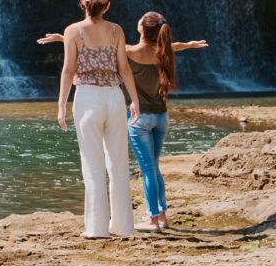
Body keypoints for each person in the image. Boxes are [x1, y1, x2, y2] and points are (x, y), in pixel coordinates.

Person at [39, 13, 209, 231]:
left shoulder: (131, 51)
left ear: (141, 29)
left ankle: (153, 220)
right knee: (154, 168)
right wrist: (189, 44)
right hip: (161, 116)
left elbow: (99, 48)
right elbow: (175, 46)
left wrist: (64, 38)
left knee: (147, 169)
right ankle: (163, 216)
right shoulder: (163, 50)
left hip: (140, 119)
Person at [55, 0, 142, 240]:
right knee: (117, 164)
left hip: (88, 99)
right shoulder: (116, 31)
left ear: (84, 3)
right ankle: (124, 227)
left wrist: (61, 104)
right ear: (108, 5)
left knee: (92, 165)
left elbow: (68, 71)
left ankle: (96, 229)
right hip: (115, 97)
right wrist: (134, 100)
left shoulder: (73, 31)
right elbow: (124, 69)